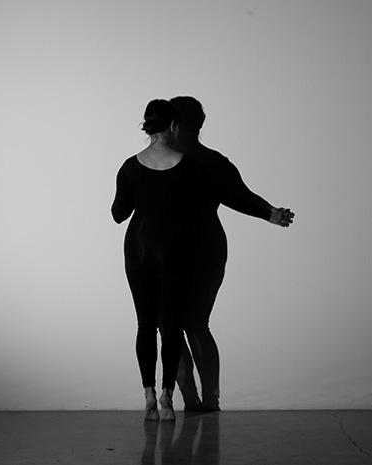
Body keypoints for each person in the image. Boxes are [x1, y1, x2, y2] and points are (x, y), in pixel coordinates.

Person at [112, 99, 281, 420]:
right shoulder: (190, 166)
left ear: (149, 127)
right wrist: (267, 213)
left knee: (146, 325)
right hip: (176, 250)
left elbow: (119, 214)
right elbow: (229, 195)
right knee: (177, 327)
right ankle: (169, 397)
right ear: (174, 127)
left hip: (139, 251)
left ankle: (148, 393)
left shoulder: (130, 167)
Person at [169, 96, 294, 411]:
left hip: (178, 249)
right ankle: (206, 399)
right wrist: (269, 213)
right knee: (193, 323)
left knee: (175, 324)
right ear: (199, 123)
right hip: (203, 248)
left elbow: (237, 196)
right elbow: (239, 196)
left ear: (174, 124)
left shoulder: (163, 161)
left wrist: (269, 212)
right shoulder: (212, 161)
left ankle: (195, 399)